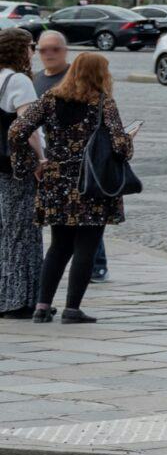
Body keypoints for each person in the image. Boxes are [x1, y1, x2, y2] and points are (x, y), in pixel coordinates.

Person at [6, 52, 132, 324]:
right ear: (100, 75)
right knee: (87, 244)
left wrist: (31, 163)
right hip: (91, 184)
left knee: (59, 246)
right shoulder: (102, 103)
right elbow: (121, 147)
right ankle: (72, 309)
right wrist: (128, 140)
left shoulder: (49, 100)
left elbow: (17, 130)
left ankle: (42, 307)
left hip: (56, 181)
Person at [26, 31, 103, 284]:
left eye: (55, 49)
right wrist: (35, 158)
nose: (48, 54)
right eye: (43, 50)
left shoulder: (78, 79)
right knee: (64, 233)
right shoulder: (36, 81)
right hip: (51, 164)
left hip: (82, 166)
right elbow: (22, 127)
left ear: (65, 50)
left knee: (86, 222)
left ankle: (97, 265)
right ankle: (58, 305)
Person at [0, 31, 40, 318]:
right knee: (22, 232)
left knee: (5, 233)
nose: (34, 52)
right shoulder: (18, 81)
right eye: (31, 47)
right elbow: (28, 128)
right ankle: (19, 300)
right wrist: (42, 158)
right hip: (16, 168)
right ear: (20, 50)